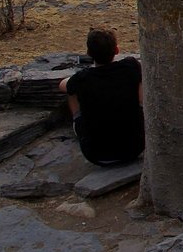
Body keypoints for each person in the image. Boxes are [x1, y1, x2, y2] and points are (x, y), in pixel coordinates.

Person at [59, 28, 145, 166]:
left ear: (88, 54)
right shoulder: (131, 66)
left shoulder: (82, 79)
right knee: (139, 80)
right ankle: (140, 111)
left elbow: (63, 85)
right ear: (116, 50)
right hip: (135, 148)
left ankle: (77, 120)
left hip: (95, 154)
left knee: (72, 92)